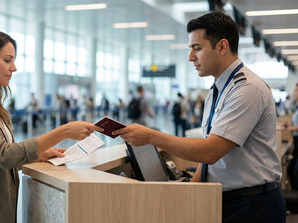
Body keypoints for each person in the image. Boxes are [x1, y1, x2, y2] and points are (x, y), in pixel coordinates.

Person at [113, 12, 286, 222]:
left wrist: (151, 137)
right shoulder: (218, 90)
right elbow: (210, 157)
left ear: (222, 47)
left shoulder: (247, 88)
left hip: (253, 205)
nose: (190, 57)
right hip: (229, 200)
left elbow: (211, 151)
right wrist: (189, 190)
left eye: (197, 48)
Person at [0, 28, 102, 223]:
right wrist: (64, 131)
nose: (13, 67)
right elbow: (3, 155)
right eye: (7, 60)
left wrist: (37, 155)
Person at [284, 83, 298, 190]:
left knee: (294, 171)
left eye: (296, 91)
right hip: (295, 141)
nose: (295, 93)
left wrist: (290, 129)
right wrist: (290, 126)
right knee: (292, 170)